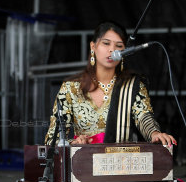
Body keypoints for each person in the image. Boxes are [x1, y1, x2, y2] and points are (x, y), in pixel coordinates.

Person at [45, 21, 176, 146]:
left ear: (124, 52)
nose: (112, 50)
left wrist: (154, 133)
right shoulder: (70, 87)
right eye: (106, 43)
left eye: (119, 46)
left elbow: (143, 116)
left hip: (122, 162)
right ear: (93, 46)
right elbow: (53, 138)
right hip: (82, 162)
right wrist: (73, 144)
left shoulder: (132, 85)